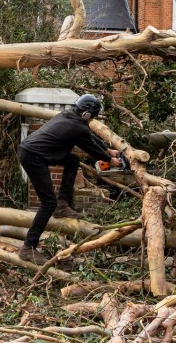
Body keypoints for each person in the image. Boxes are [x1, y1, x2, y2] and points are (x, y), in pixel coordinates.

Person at [17, 94, 121, 265]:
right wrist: (109, 160)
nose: (91, 120)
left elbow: (89, 136)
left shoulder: (70, 116)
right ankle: (28, 247)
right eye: (92, 117)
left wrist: (108, 151)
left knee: (72, 160)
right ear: (87, 114)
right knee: (48, 203)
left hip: (33, 152)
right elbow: (89, 146)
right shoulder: (76, 126)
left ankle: (62, 204)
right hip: (33, 156)